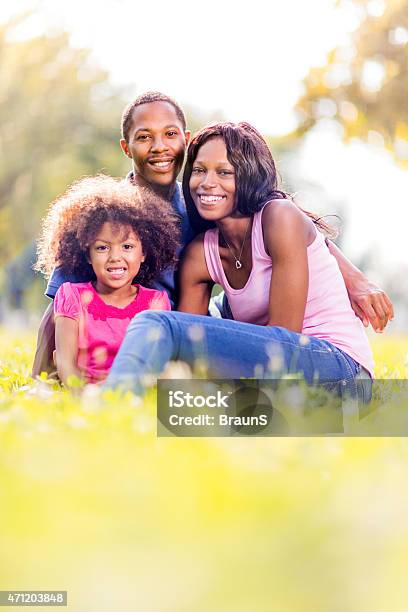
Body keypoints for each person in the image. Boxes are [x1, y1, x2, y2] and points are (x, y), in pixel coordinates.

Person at [32, 92, 393, 377]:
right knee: (199, 332)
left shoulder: (203, 210)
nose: (159, 147)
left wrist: (353, 276)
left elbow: (283, 221)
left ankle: (112, 405)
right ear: (126, 147)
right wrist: (39, 382)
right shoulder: (107, 216)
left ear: (184, 140)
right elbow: (61, 303)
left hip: (308, 355)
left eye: (170, 135)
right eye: (144, 137)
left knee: (182, 322)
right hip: (135, 342)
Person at [104, 122, 378, 398]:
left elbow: (284, 343)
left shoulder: (279, 218)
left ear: (248, 176)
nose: (207, 183)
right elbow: (191, 350)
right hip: (285, 385)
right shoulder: (201, 253)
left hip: (341, 372)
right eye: (199, 171)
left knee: (157, 324)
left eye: (224, 172)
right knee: (174, 332)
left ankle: (112, 407)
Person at [35, 175, 178, 385]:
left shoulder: (156, 303)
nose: (115, 257)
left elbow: (154, 368)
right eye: (102, 247)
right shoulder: (71, 296)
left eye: (127, 247)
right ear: (87, 255)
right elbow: (65, 364)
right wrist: (85, 397)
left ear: (144, 253)